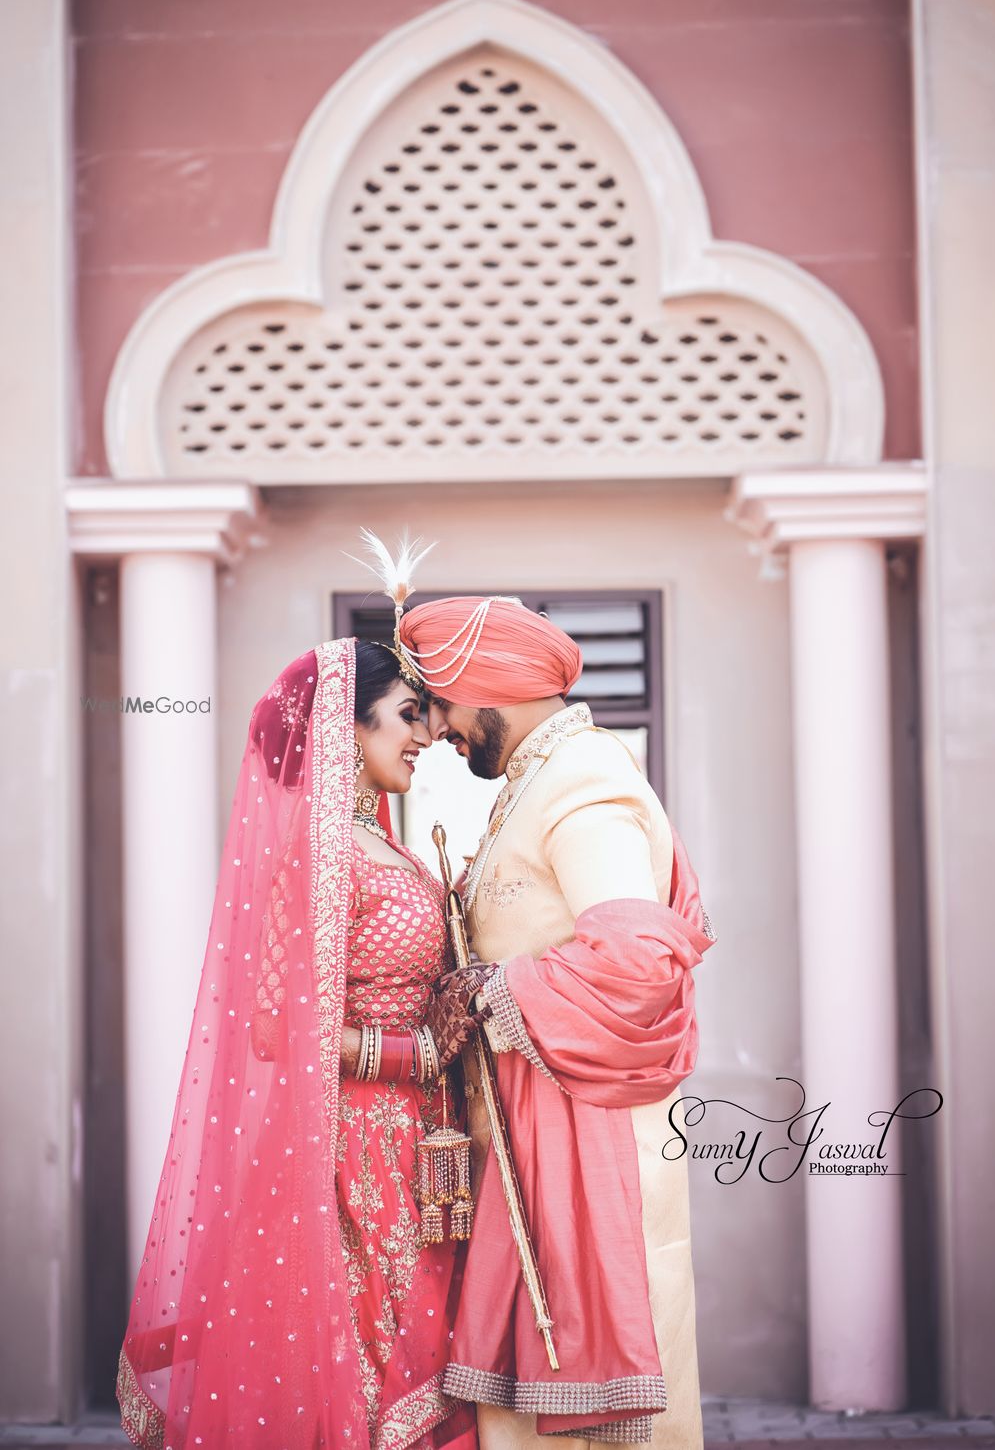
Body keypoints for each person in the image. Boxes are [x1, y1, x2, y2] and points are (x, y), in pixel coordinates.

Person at [117, 637, 481, 1450]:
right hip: (348, 1160)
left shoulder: (391, 846)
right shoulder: (310, 861)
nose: (424, 737)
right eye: (409, 715)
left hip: (422, 1151)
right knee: (373, 1365)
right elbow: (277, 1029)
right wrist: (420, 1054)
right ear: (344, 729)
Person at [397, 597, 716, 1450]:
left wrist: (486, 990)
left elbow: (637, 960)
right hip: (531, 1140)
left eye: (442, 703)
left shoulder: (583, 784)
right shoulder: (538, 781)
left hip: (584, 1140)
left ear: (486, 685)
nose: (439, 730)